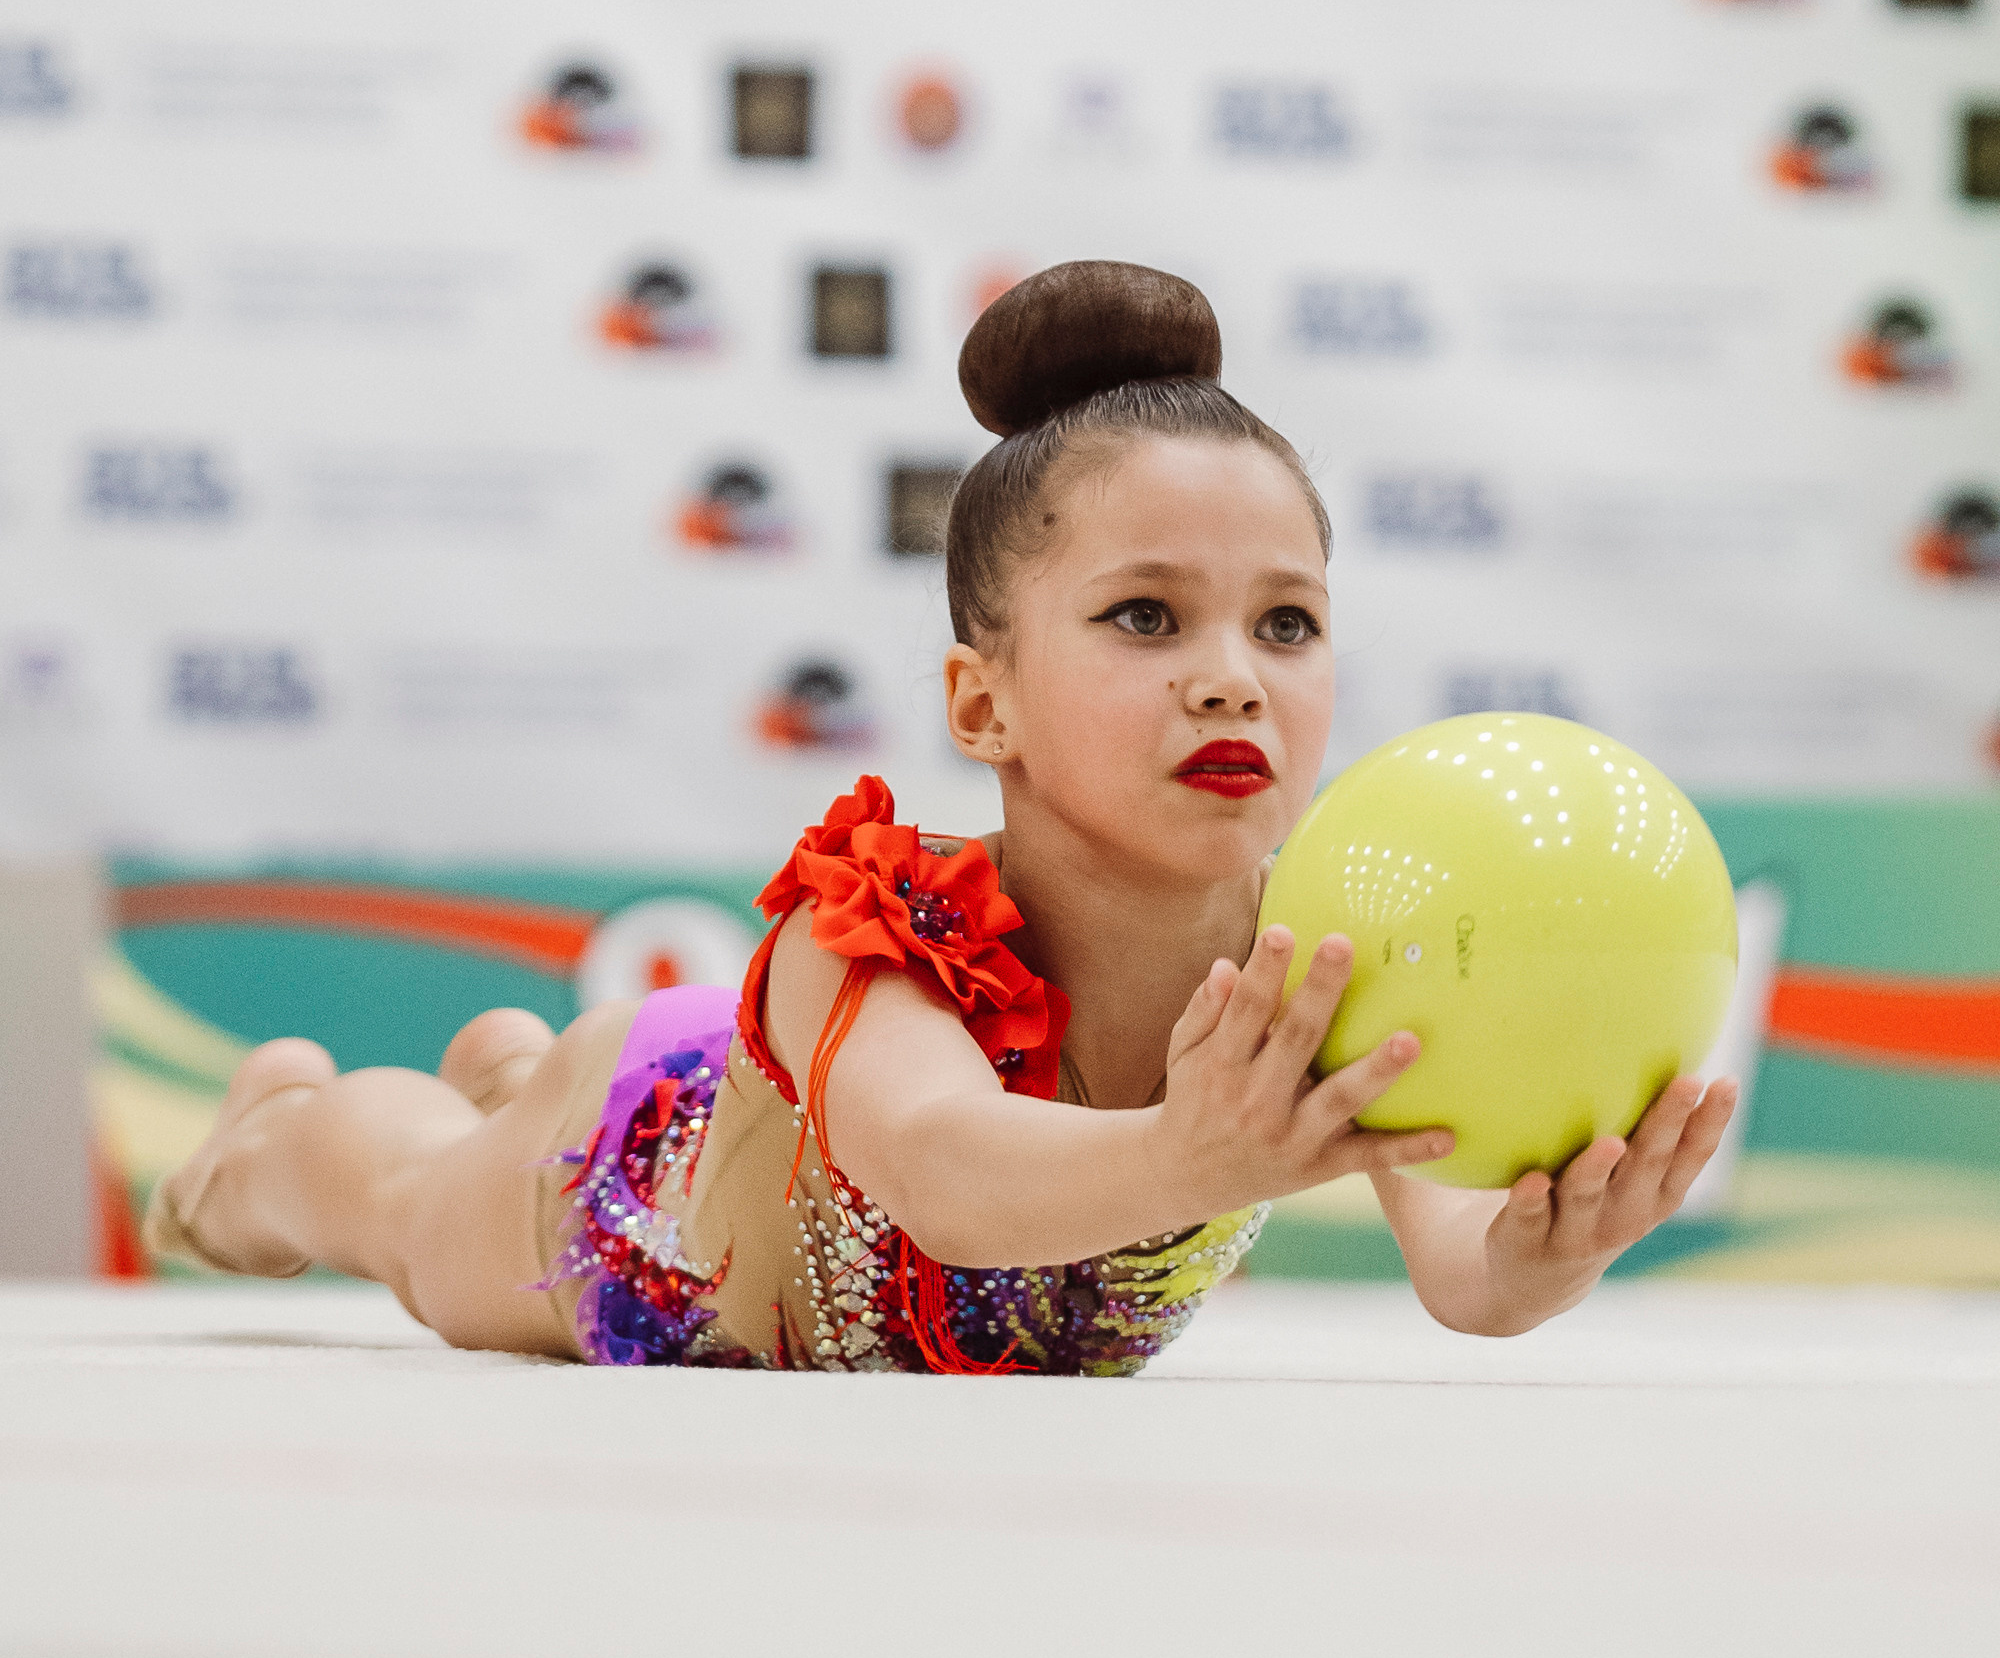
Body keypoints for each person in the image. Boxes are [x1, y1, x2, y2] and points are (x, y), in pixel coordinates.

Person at [146, 262, 1737, 1372]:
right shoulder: (884, 930)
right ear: (982, 705)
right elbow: (943, 1166)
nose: (1230, 680)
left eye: (1287, 625)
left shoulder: (1333, 966)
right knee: (412, 1204)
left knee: (515, 1078)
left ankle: (506, 1059)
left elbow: (1462, 1269)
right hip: (639, 1207)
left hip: (760, 1098)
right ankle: (268, 1142)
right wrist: (1190, 1153)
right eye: (1144, 619)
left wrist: (1544, 1259)